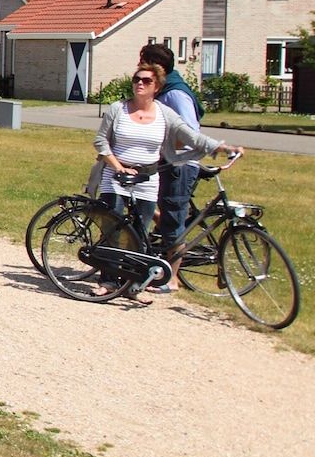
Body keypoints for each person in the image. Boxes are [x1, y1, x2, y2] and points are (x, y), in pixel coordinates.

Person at [92, 61, 238, 293]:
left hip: (147, 180)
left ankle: (132, 284)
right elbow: (101, 141)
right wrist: (118, 167)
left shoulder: (164, 114)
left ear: (157, 87)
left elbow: (192, 137)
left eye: (147, 80)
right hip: (116, 176)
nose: (140, 83)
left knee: (140, 234)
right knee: (113, 229)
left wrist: (221, 147)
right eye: (137, 79)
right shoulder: (117, 109)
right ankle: (108, 281)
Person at [139, 42, 202, 247]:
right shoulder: (161, 90)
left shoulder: (175, 94)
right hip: (166, 163)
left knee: (173, 225)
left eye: (143, 62)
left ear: (157, 67)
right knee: (143, 201)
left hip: (179, 166)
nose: (139, 66)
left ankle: (172, 277)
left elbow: (189, 133)